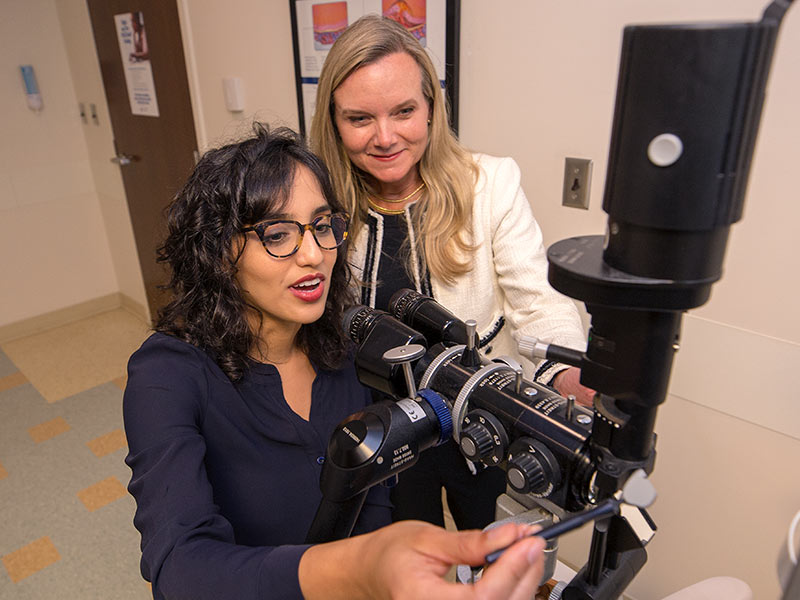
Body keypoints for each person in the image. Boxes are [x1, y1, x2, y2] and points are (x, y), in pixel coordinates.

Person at [122, 123, 546, 600]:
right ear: (219, 251)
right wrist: (360, 568)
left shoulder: (343, 351)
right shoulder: (166, 375)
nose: (314, 254)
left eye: (323, 226)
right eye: (277, 234)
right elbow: (181, 570)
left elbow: (374, 502)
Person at [310, 15, 594, 531]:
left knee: (488, 546)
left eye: (404, 111)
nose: (386, 137)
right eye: (360, 119)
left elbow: (540, 302)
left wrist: (566, 376)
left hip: (476, 416)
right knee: (401, 552)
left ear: (432, 109)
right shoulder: (318, 207)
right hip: (380, 427)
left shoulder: (491, 185)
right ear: (332, 121)